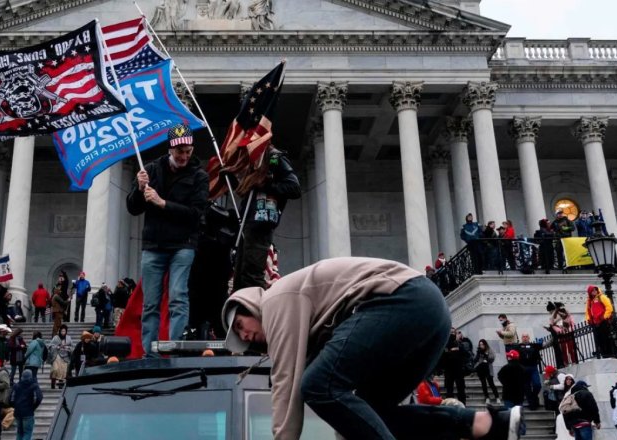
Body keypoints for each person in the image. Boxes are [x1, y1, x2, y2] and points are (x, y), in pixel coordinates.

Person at [221, 257, 524, 440]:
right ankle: (484, 424)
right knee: (374, 413)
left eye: (239, 325)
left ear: (249, 305)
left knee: (314, 385)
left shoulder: (276, 300)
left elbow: (288, 385)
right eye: (240, 337)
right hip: (429, 314)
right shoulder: (310, 324)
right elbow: (347, 414)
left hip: (404, 301)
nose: (245, 336)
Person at [127, 123, 209, 357]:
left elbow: (196, 214)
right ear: (170, 149)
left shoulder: (199, 176)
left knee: (178, 297)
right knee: (150, 303)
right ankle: (150, 354)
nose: (183, 156)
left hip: (183, 245)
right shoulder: (151, 170)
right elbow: (133, 208)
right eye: (179, 150)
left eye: (187, 151)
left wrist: (163, 203)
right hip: (154, 245)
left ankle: (176, 351)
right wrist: (139, 189)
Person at [231, 145, 301, 291]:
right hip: (247, 223)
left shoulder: (274, 158)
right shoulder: (251, 160)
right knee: (240, 276)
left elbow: (294, 188)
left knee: (252, 276)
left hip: (261, 223)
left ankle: (256, 310)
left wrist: (266, 185)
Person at [585, 285, 616, 359]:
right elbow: (587, 311)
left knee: (606, 338)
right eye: (592, 291)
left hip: (603, 321)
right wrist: (589, 319)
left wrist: (604, 317)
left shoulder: (602, 297)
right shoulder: (590, 301)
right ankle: (604, 354)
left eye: (595, 290)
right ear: (590, 293)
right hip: (595, 323)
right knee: (599, 339)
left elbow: (609, 307)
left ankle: (610, 354)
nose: (594, 291)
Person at [11, 369, 43, 440]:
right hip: (28, 412)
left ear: (22, 376)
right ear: (30, 376)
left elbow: (10, 398)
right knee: (27, 432)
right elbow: (39, 398)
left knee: (19, 433)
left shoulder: (16, 385)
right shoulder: (34, 385)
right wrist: (33, 407)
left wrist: (15, 406)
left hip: (18, 412)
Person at [516, 334, 542, 410]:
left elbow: (544, 346)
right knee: (526, 387)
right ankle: (532, 404)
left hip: (533, 367)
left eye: (526, 336)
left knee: (537, 384)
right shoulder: (518, 346)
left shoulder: (534, 345)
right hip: (523, 368)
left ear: (529, 337)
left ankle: (534, 396)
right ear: (521, 338)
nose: (525, 338)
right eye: (523, 337)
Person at [547, 301, 577, 367]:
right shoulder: (552, 316)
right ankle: (566, 362)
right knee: (563, 349)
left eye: (551, 311)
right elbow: (552, 325)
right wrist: (559, 330)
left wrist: (568, 326)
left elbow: (569, 318)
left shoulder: (563, 311)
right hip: (561, 334)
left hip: (568, 332)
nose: (550, 313)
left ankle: (574, 361)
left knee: (571, 348)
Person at [442, 327, 467, 403]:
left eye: (453, 332)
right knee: (449, 390)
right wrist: (450, 351)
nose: (452, 334)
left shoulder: (459, 343)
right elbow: (443, 355)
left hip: (458, 370)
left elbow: (465, 354)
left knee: (461, 389)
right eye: (450, 332)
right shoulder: (445, 343)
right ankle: (450, 406)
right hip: (449, 370)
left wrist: (458, 348)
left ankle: (463, 404)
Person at [475, 339, 501, 405]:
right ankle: (487, 397)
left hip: (488, 369)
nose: (481, 346)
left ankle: (497, 397)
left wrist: (486, 355)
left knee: (491, 383)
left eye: (482, 344)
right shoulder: (479, 351)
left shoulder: (489, 350)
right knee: (483, 384)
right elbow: (476, 359)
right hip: (481, 369)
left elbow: (492, 358)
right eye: (480, 344)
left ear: (485, 344)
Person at [49, 325, 72, 390]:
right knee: (55, 369)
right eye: (62, 331)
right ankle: (53, 384)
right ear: (60, 331)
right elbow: (50, 346)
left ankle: (60, 385)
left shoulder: (69, 338)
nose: (63, 332)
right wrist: (57, 347)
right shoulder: (56, 337)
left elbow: (72, 347)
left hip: (65, 356)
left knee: (63, 371)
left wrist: (67, 347)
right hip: (57, 355)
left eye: (64, 331)